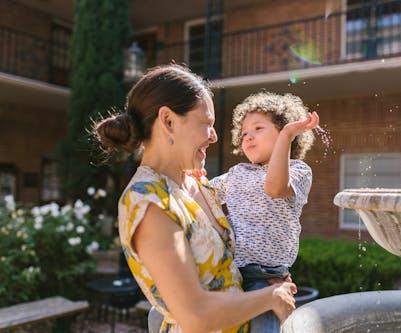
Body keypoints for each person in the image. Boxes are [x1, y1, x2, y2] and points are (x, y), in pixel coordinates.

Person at [94, 64, 297, 333]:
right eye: (207, 124)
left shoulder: (199, 183)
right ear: (168, 121)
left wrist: (266, 277)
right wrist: (272, 297)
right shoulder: (148, 202)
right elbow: (195, 316)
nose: (214, 137)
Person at [209, 92, 319, 333]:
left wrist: (288, 135)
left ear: (284, 133)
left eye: (258, 128)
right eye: (244, 133)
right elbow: (204, 196)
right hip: (230, 270)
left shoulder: (298, 170)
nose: (248, 137)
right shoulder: (237, 173)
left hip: (266, 279)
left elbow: (275, 187)